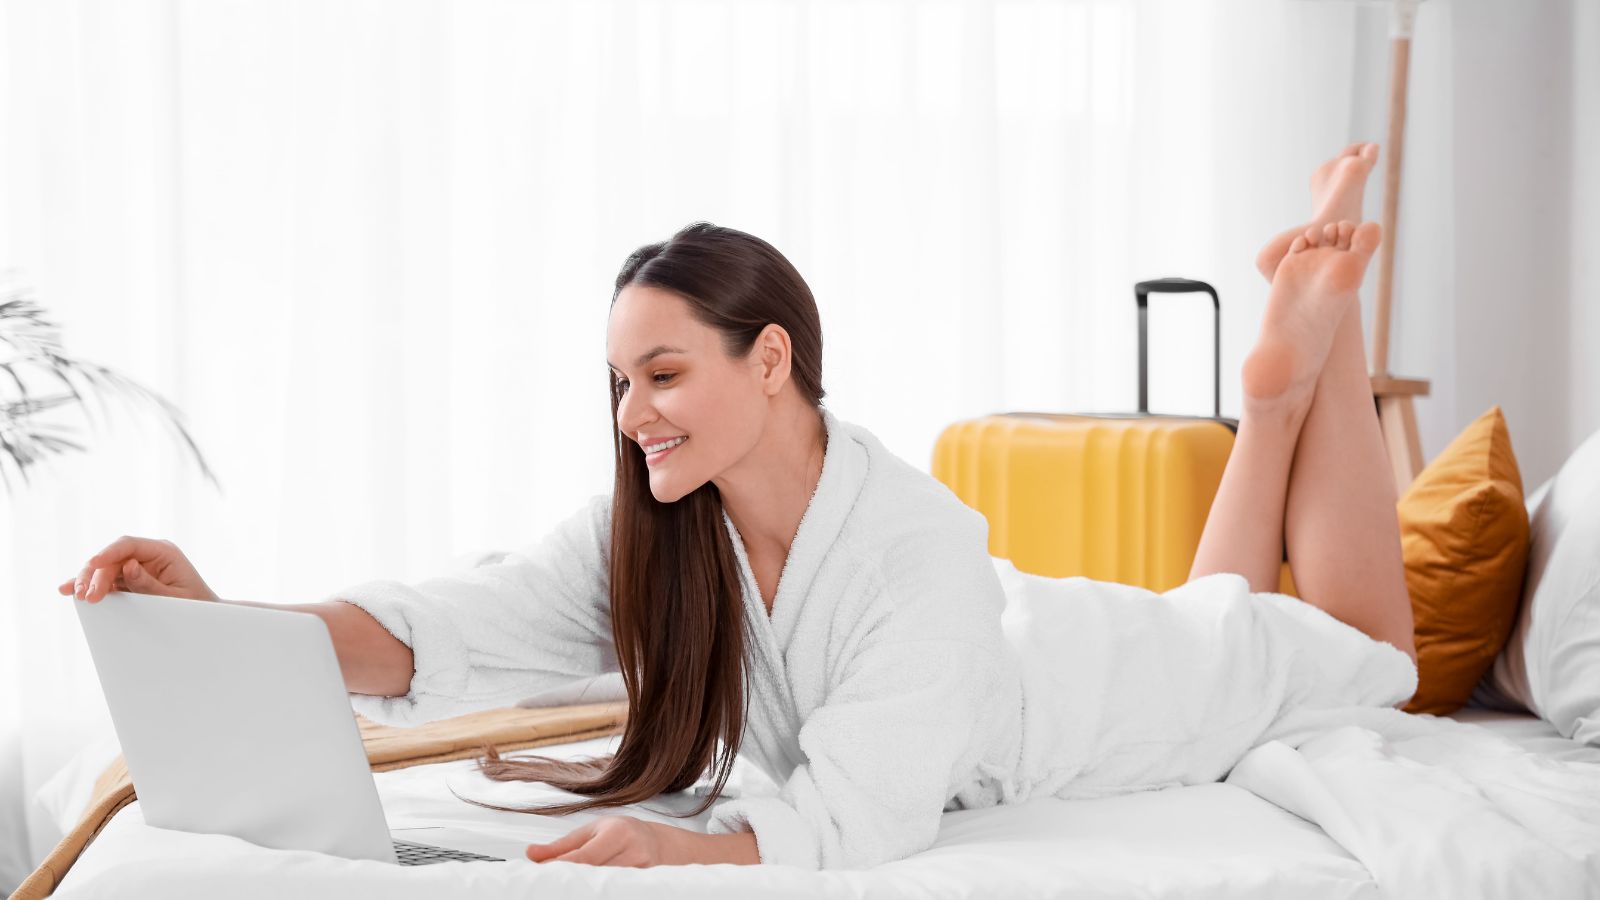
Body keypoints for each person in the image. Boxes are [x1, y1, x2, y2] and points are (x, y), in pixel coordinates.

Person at [60, 144, 1416, 871]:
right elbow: (447, 630)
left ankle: (1317, 349)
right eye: (615, 381)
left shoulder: (915, 545)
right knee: (1216, 608)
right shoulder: (669, 530)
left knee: (1370, 659)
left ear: (769, 360)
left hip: (1100, 689)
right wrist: (227, 615)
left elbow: (862, 816)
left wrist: (682, 845)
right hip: (1059, 645)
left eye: (662, 373)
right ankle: (1283, 383)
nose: (630, 412)